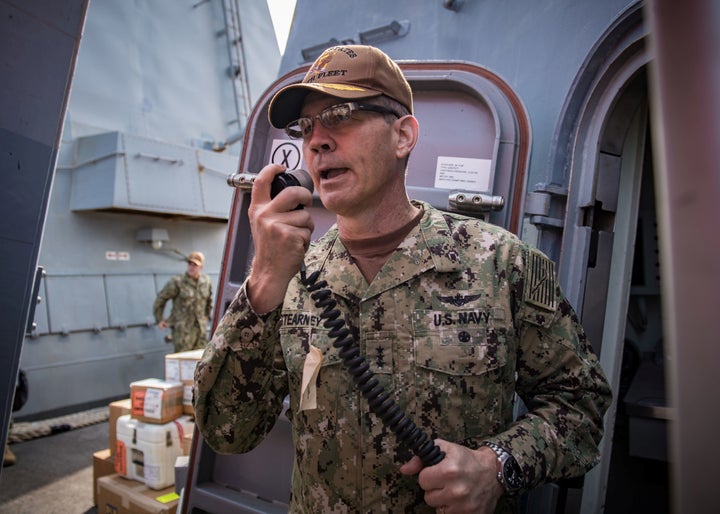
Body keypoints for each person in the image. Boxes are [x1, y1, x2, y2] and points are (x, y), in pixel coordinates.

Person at [194, 45, 612, 513]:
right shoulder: (289, 276)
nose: (317, 142)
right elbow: (227, 431)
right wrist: (265, 280)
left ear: (403, 136)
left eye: (340, 115)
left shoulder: (502, 262)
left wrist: (496, 466)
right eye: (306, 127)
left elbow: (580, 406)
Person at [153, 251, 213, 353]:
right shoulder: (177, 282)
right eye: (190, 264)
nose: (191, 267)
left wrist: (206, 316)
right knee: (182, 362)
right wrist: (159, 319)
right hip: (182, 332)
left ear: (201, 267)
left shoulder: (206, 281)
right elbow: (161, 299)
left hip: (200, 332)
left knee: (201, 362)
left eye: (195, 265)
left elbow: (209, 301)